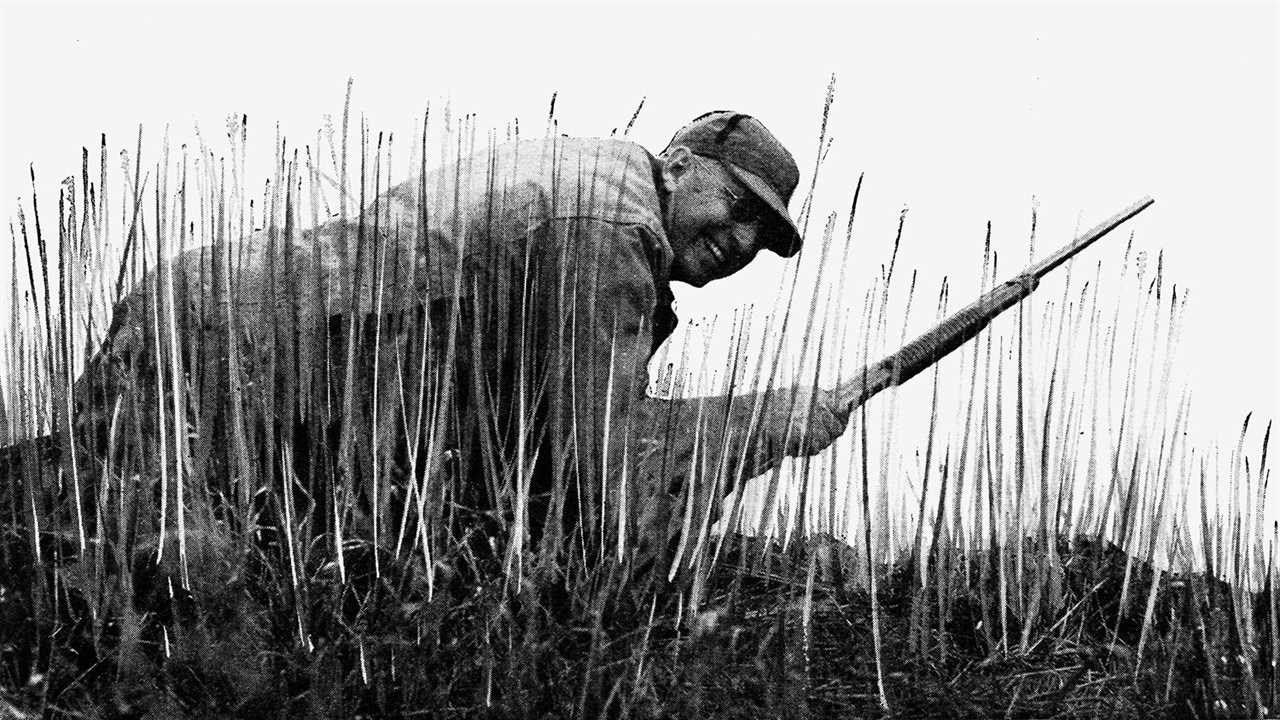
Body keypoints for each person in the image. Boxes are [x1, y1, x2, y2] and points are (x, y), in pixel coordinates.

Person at [69, 110, 851, 575]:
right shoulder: (612, 229)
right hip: (256, 367)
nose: (743, 239)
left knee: (88, 543)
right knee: (174, 599)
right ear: (678, 164)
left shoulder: (580, 175)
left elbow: (519, 433)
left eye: (764, 232)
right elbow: (599, 477)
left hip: (204, 319)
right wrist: (762, 422)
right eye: (738, 205)